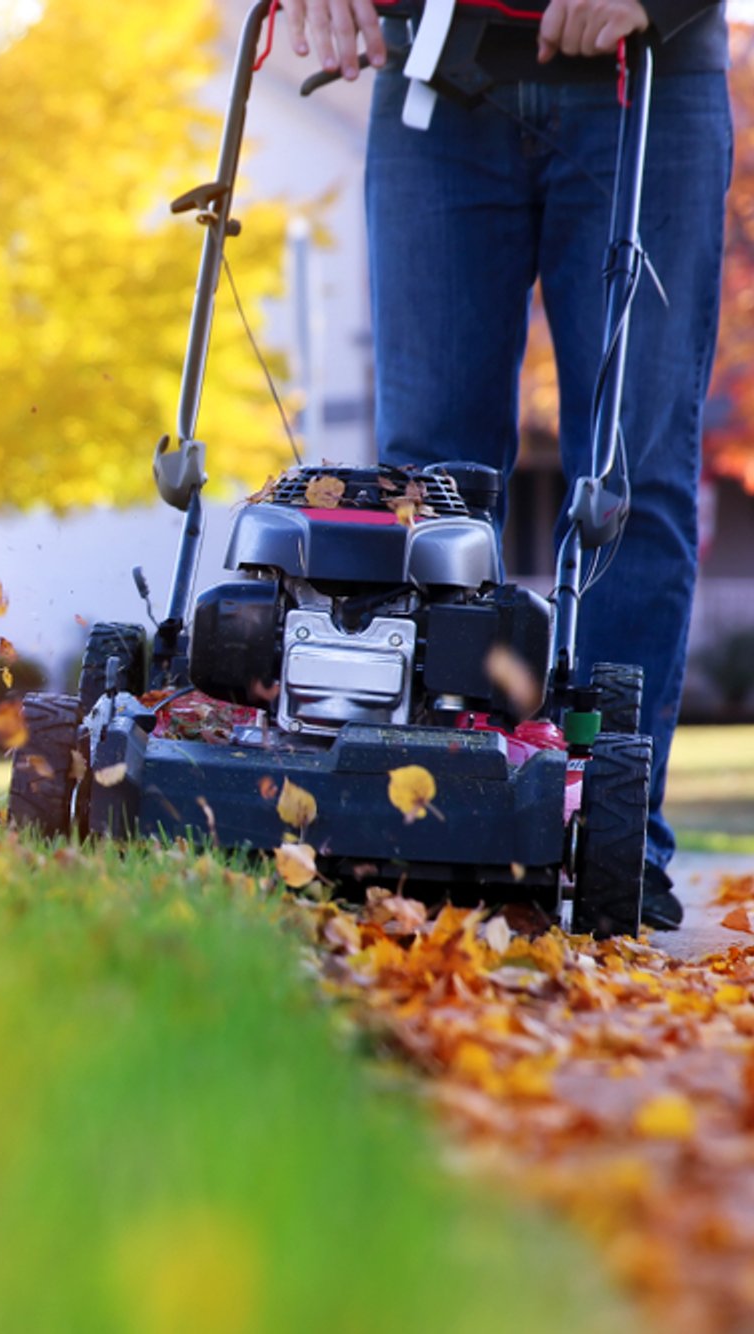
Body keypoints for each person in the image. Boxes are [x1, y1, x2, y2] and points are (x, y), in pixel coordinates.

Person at [275, 0, 731, 929]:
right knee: (428, 491)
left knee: (625, 479)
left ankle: (615, 832)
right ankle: (426, 818)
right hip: (438, 85)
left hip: (644, 78)